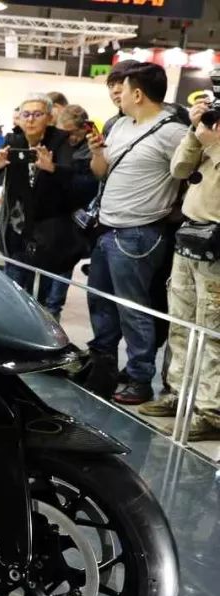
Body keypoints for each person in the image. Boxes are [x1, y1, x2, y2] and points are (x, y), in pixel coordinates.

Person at [84, 62, 188, 405]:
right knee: (100, 302)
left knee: (133, 309)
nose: (118, 94)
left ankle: (139, 377)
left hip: (139, 235)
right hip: (106, 229)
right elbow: (101, 172)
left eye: (123, 88)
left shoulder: (172, 132)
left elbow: (193, 173)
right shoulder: (119, 125)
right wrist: (97, 151)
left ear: (138, 94)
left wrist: (174, 208)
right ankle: (103, 366)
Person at [138, 98, 220, 439]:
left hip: (216, 245)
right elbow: (180, 170)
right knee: (182, 323)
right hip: (190, 236)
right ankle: (178, 393)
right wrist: (194, 132)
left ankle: (211, 411)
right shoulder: (208, 133)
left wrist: (213, 145)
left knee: (212, 330)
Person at [0, 94, 75, 310]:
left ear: (49, 117)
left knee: (44, 303)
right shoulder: (12, 141)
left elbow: (74, 184)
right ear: (19, 118)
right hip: (16, 232)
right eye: (26, 114)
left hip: (49, 235)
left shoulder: (61, 142)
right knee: (13, 298)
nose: (31, 119)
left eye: (37, 114)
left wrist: (53, 169)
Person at [45, 104, 101, 319]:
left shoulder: (92, 150)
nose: (69, 137)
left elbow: (89, 184)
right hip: (54, 216)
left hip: (76, 220)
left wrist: (59, 174)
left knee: (63, 270)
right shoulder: (60, 145)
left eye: (71, 133)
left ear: (83, 129)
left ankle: (53, 314)